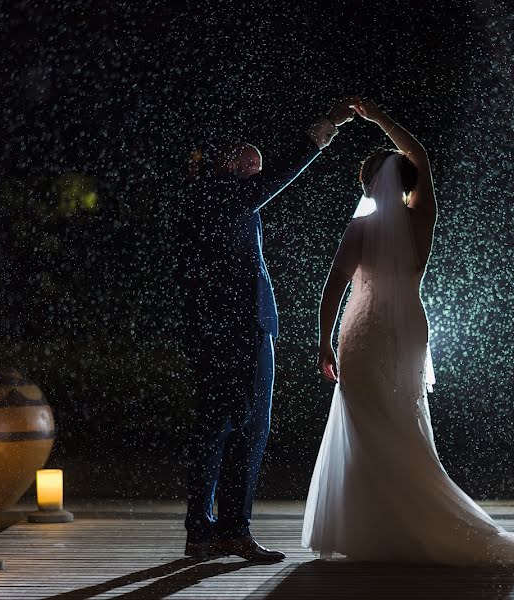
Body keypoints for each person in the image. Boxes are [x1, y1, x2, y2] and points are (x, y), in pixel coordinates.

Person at [302, 98, 514, 565]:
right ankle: (403, 524)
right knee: (403, 424)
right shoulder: (422, 220)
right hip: (408, 330)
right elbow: (421, 155)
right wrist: (380, 119)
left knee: (367, 424)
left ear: (370, 184)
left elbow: (332, 288)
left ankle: (373, 530)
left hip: (364, 334)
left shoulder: (359, 230)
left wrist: (323, 340)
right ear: (406, 183)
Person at [179, 96, 357, 561]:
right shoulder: (215, 192)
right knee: (231, 426)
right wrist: (323, 130)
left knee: (232, 426)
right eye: (242, 154)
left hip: (241, 327)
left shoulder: (227, 194)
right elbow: (279, 171)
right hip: (231, 330)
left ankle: (214, 530)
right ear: (222, 159)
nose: (252, 161)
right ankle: (219, 529)